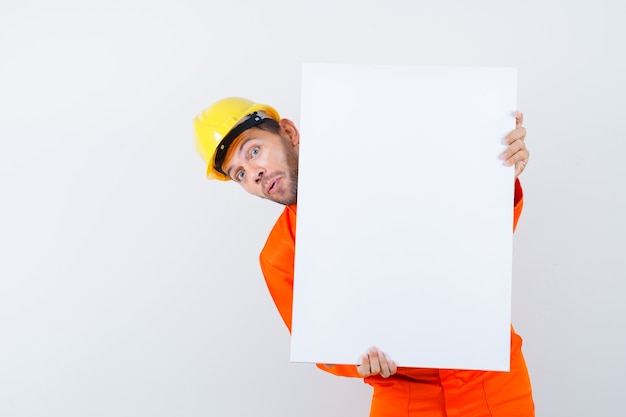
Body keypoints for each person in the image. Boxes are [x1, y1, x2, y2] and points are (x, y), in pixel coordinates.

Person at [193, 97, 534, 417]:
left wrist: (497, 175)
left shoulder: (392, 168)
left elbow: (481, 243)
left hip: (489, 374)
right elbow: (321, 348)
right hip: (401, 390)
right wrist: (355, 360)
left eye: (254, 151)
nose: (253, 173)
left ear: (290, 133)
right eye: (239, 173)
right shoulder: (279, 256)